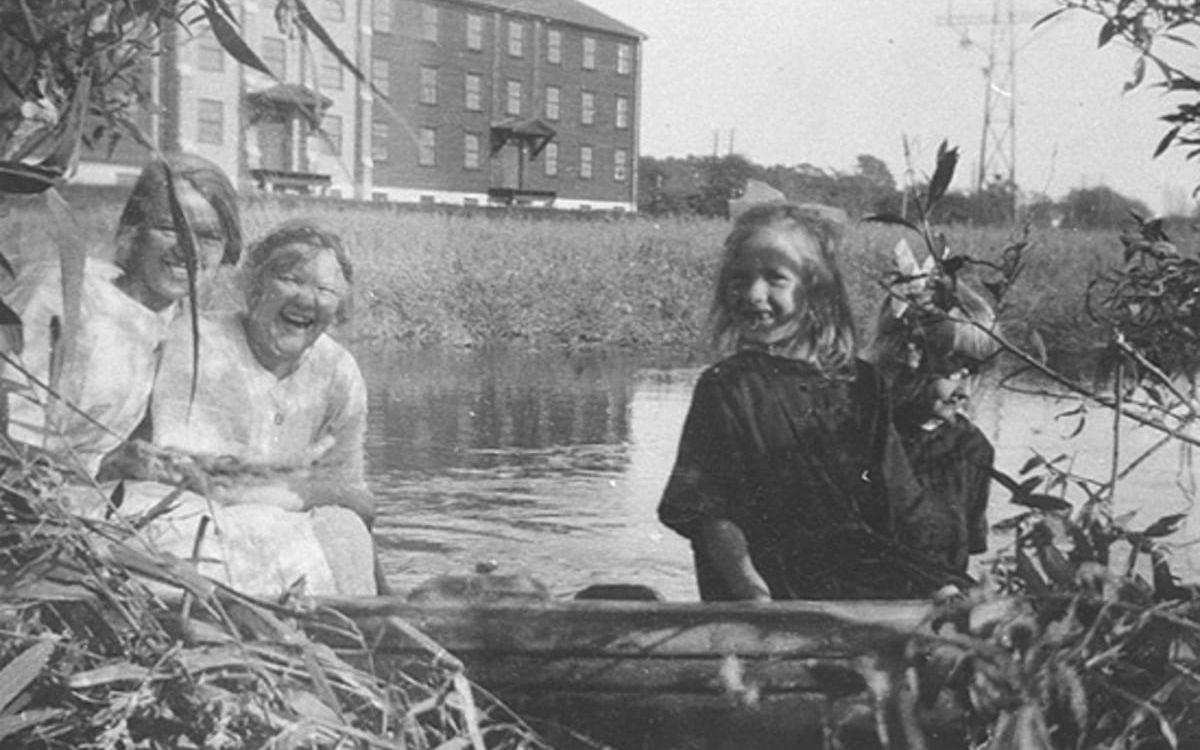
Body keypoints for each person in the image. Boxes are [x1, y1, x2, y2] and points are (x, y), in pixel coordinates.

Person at [658, 203, 935, 602]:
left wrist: (936, 581)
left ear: (817, 290)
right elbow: (711, 512)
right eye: (740, 279)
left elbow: (899, 501)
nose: (754, 294)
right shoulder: (726, 388)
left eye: (775, 279)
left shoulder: (862, 383)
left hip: (855, 587)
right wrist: (749, 588)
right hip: (763, 590)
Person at [102, 219, 380, 597]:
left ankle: (372, 629)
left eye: (325, 289)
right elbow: (200, 478)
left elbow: (354, 498)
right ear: (254, 286)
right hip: (180, 519)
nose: (306, 298)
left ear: (339, 307)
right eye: (291, 279)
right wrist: (323, 494)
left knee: (343, 529)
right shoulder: (201, 342)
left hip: (276, 526)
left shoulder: (339, 371)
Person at [1, 153, 242, 477]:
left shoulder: (188, 330)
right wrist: (102, 470)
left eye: (210, 236)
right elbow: (9, 442)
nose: (189, 249)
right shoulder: (63, 294)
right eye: (170, 228)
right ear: (133, 229)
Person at [864, 239, 998, 577]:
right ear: (909, 355)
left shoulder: (973, 449)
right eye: (955, 365)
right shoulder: (866, 434)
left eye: (976, 370)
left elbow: (967, 548)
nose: (966, 386)